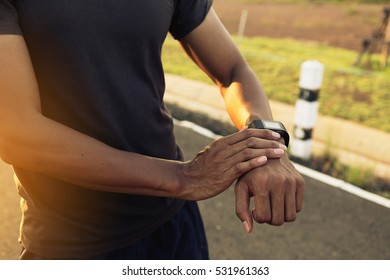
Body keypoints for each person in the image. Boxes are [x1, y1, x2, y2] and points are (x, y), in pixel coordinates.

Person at [0, 0, 304, 260]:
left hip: (174, 225)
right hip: (72, 242)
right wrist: (183, 177)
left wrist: (266, 144)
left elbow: (232, 70)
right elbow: (16, 132)